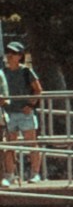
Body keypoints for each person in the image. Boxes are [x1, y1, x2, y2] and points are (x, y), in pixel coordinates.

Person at [2, 36, 44, 180]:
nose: (9, 55)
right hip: (9, 112)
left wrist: (31, 105)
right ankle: (10, 174)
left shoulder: (26, 71)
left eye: (13, 53)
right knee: (9, 145)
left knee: (31, 143)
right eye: (8, 52)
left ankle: (35, 173)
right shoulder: (4, 72)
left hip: (25, 112)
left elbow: (38, 89)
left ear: (20, 56)